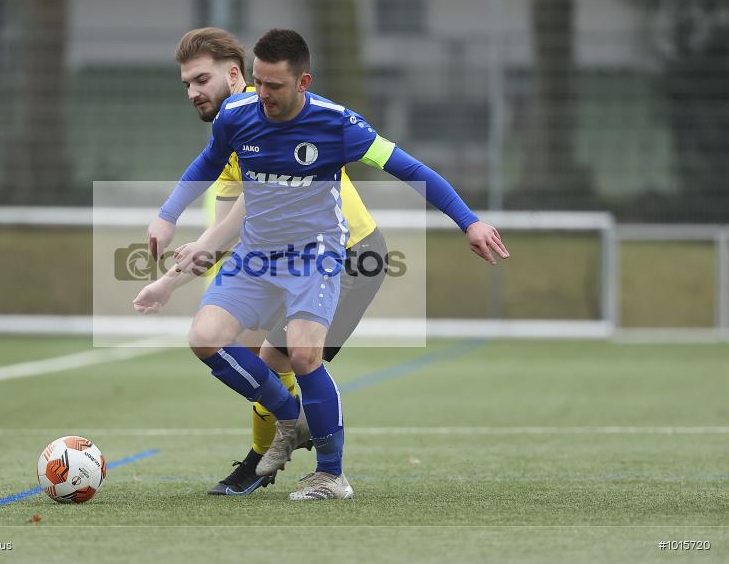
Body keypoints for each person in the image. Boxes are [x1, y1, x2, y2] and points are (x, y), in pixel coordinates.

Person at [146, 29, 509, 500]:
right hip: (263, 256)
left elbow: (411, 169)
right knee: (227, 345)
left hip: (340, 254)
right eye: (259, 84)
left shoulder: (337, 124)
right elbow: (215, 187)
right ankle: (291, 425)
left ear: (302, 82)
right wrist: (167, 221)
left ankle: (323, 470)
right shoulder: (236, 119)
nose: (263, 96)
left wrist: (469, 222)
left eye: (273, 86)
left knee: (296, 356)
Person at [134, 28, 390, 497]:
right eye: (186, 84)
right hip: (282, 259)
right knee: (254, 356)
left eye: (201, 80)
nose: (193, 92)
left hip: (349, 254)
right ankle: (289, 438)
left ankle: (284, 462)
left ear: (235, 75)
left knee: (285, 358)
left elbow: (240, 220)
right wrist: (175, 278)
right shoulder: (234, 127)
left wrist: (172, 278)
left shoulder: (270, 113)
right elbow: (227, 229)